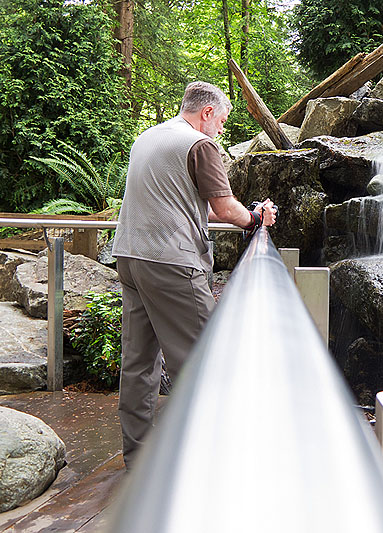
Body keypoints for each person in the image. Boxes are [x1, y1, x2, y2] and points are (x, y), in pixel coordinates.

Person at [111, 81, 276, 468]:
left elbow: (198, 208)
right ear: (206, 113)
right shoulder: (200, 145)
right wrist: (256, 217)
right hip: (172, 264)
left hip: (131, 257)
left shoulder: (149, 138)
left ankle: (139, 456)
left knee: (138, 361)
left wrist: (242, 213)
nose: (221, 129)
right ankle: (205, 464)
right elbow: (227, 207)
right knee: (204, 358)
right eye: (221, 120)